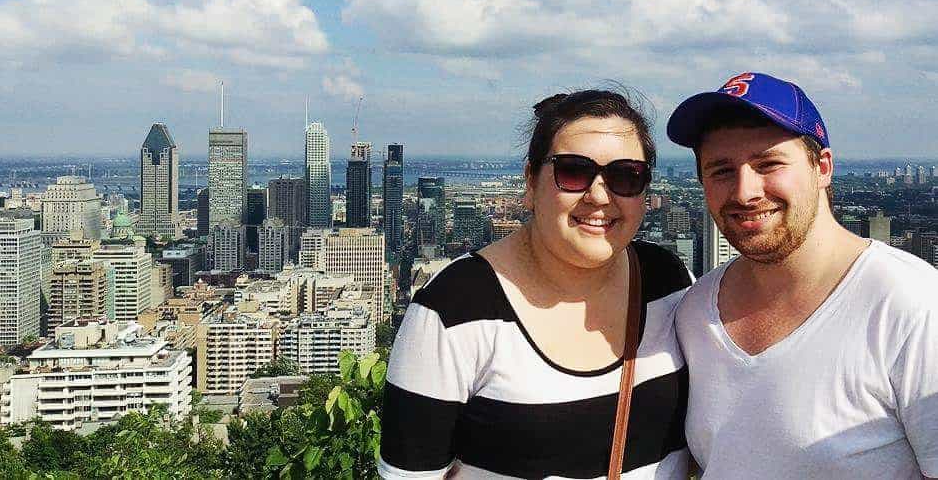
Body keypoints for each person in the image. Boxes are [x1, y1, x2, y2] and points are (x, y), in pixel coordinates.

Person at [379, 89, 692, 479]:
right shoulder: (454, 308)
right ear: (531, 180)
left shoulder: (668, 281)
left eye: (626, 176)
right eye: (574, 172)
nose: (599, 195)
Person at [667, 72, 938, 479]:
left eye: (768, 163)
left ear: (822, 167)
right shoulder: (693, 313)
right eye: (722, 170)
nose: (744, 192)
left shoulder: (911, 305)